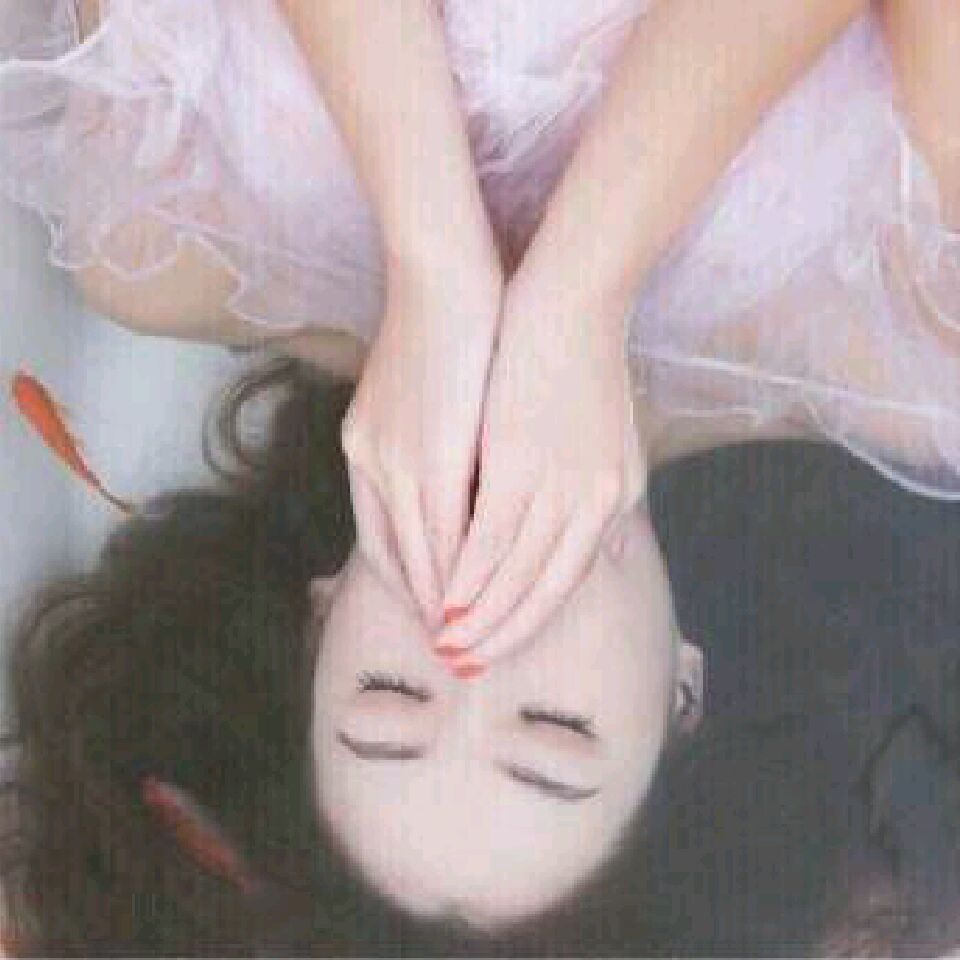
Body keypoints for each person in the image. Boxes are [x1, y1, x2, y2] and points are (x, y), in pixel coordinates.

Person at [2, 361, 959, 956]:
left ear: (321, 612)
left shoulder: (175, 256)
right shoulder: (911, 392)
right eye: (554, 730)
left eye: (390, 697)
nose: (483, 642)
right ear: (682, 691)